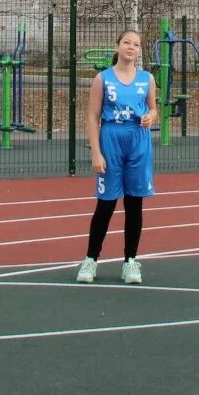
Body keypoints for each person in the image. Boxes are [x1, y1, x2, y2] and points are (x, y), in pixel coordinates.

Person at [76, 28, 158, 285]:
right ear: (117, 46)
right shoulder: (103, 78)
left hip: (138, 141)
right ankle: (90, 260)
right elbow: (92, 116)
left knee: (134, 204)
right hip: (111, 140)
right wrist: (96, 153)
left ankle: (130, 262)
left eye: (136, 44)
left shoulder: (147, 79)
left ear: (139, 50)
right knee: (106, 204)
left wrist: (151, 116)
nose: (131, 47)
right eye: (126, 42)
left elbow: (154, 108)